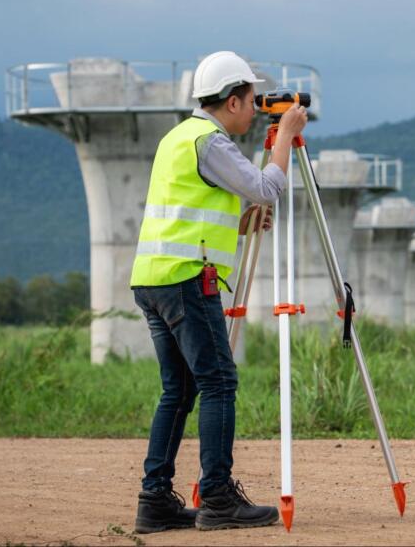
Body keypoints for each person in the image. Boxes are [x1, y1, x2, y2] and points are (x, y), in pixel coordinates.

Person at [129, 51, 308, 533]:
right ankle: (218, 498)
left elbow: (192, 211)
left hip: (154, 277)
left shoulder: (178, 138)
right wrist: (286, 137)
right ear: (232, 100)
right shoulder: (212, 141)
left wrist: (241, 224)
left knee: (180, 389)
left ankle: (155, 500)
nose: (256, 111)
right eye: (253, 101)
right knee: (219, 383)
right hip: (186, 279)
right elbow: (266, 188)